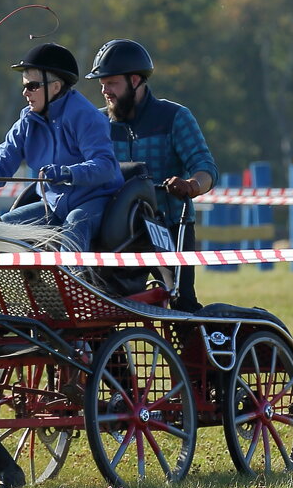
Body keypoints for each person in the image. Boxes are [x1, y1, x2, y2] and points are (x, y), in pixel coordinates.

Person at [85, 39, 219, 312]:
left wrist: (192, 186)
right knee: (102, 307)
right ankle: (111, 355)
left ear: (135, 80)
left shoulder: (175, 117)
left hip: (169, 228)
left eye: (111, 83)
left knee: (182, 304)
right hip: (117, 233)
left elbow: (206, 167)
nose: (104, 90)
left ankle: (193, 350)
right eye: (102, 83)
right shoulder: (96, 124)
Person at [0, 42, 123, 251]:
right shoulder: (26, 121)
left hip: (99, 202)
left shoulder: (86, 117)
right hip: (54, 206)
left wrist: (67, 173)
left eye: (32, 86)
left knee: (75, 223)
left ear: (56, 87)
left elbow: (105, 166)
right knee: (3, 226)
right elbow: (2, 165)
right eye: (24, 86)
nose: (25, 93)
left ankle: (73, 280)